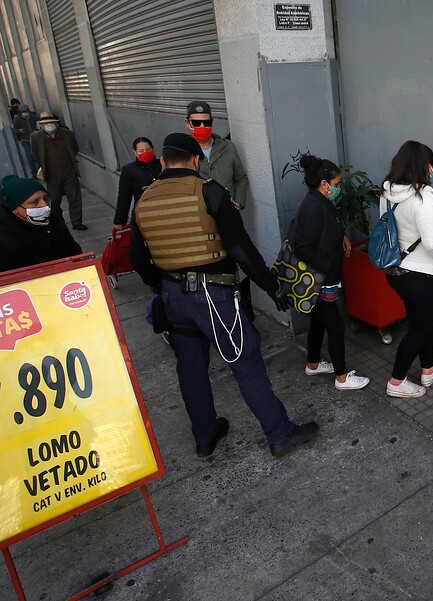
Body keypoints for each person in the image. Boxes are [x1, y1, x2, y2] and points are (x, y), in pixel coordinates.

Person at [130, 132, 319, 458]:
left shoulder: (144, 200)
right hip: (212, 295)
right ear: (196, 160)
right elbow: (241, 249)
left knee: (190, 369)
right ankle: (280, 433)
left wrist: (163, 288)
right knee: (245, 361)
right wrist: (272, 287)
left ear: (162, 161)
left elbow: (137, 257)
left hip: (173, 296)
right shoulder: (208, 191)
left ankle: (205, 437)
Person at [381, 140, 433, 398]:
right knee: (420, 327)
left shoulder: (387, 192)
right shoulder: (423, 197)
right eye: (432, 165)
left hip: (397, 271)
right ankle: (396, 381)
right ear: (425, 166)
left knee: (423, 320)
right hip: (423, 276)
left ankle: (428, 369)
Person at [291, 153, 370, 390]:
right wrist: (327, 265)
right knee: (335, 326)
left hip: (325, 276)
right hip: (321, 278)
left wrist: (342, 236)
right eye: (336, 184)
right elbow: (303, 247)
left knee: (318, 321)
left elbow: (331, 224)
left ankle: (313, 364)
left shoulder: (321, 201)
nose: (339, 188)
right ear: (324, 184)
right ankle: (342, 377)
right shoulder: (313, 207)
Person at [0, 175, 82, 272]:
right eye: (35, 202)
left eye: (45, 198)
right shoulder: (5, 239)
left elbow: (74, 252)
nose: (44, 205)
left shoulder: (53, 221)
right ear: (15, 209)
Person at [184, 100, 249, 210]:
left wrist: (238, 202)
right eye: (196, 123)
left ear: (212, 122)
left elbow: (240, 178)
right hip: (197, 213)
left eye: (206, 122)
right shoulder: (181, 152)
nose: (202, 126)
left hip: (226, 212)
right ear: (187, 123)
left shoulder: (228, 147)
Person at [30, 112, 86, 230]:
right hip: (52, 175)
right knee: (54, 200)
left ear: (56, 123)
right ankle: (59, 222)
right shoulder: (36, 137)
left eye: (51, 122)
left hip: (69, 172)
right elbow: (35, 154)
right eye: (46, 123)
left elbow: (75, 148)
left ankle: (77, 221)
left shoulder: (67, 134)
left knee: (74, 198)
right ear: (42, 125)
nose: (49, 125)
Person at [114, 137, 162, 232]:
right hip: (143, 214)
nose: (145, 153)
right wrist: (120, 220)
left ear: (152, 148)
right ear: (135, 152)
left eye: (148, 149)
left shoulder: (162, 164)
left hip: (162, 210)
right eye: (141, 151)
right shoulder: (129, 170)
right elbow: (124, 196)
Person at [13, 104, 39, 177]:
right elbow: (14, 130)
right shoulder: (17, 120)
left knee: (38, 155)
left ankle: (41, 171)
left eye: (26, 111)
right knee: (30, 156)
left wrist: (37, 130)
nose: (25, 113)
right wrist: (19, 131)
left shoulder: (35, 117)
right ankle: (34, 173)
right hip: (25, 140)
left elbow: (39, 126)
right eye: (23, 112)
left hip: (35, 139)